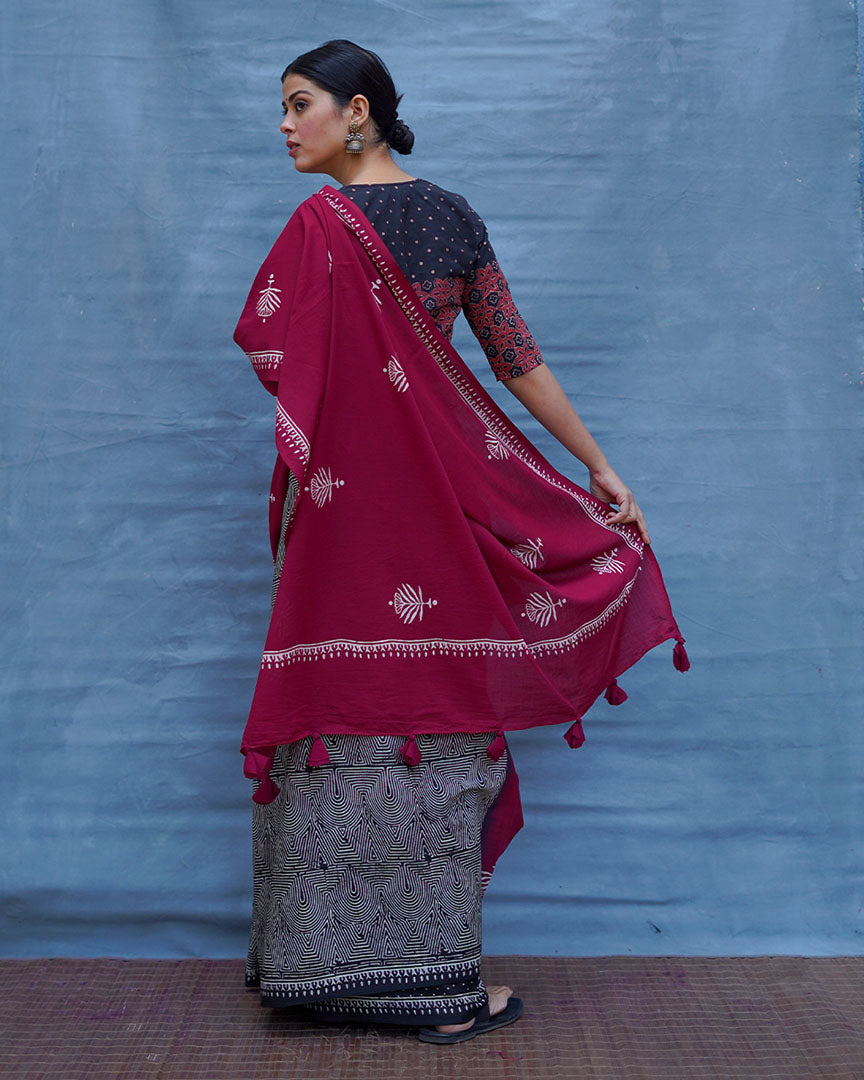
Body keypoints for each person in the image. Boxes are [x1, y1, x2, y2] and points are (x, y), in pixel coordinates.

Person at [234, 39, 688, 1044]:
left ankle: (323, 971)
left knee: (342, 699)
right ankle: (430, 984)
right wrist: (599, 468)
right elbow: (514, 356)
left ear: (357, 112)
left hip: (342, 517)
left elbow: (278, 358)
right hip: (436, 510)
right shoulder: (448, 217)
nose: (285, 125)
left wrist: (598, 465)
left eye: (300, 104)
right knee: (434, 710)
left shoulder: (320, 228)